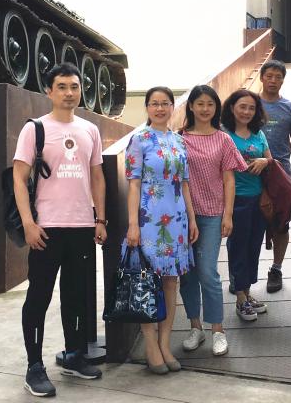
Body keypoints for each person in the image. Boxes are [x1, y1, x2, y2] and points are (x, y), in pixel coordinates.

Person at [13, 62, 108, 398]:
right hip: (46, 228)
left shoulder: (90, 130)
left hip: (81, 226)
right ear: (49, 91)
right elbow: (19, 178)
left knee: (77, 295)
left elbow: (97, 177)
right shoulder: (35, 129)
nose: (69, 93)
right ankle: (34, 366)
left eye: (74, 87)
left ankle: (74, 355)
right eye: (62, 87)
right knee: (39, 296)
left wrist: (100, 219)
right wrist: (28, 223)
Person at [124, 86, 199, 375]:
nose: (159, 108)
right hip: (148, 219)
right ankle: (151, 344)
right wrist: (133, 224)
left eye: (164, 103)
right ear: (147, 107)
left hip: (176, 218)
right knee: (147, 281)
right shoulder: (139, 140)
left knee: (170, 282)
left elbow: (184, 183)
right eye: (154, 103)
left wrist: (191, 218)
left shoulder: (179, 141)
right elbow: (133, 184)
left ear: (172, 107)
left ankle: (165, 343)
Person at [178, 85, 247, 357]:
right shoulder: (179, 139)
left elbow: (230, 180)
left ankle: (218, 330)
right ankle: (195, 327)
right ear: (191, 106)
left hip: (212, 214)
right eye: (200, 103)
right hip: (182, 217)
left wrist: (228, 215)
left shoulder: (223, 139)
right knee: (187, 275)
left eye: (210, 104)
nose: (205, 109)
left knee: (207, 272)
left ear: (216, 107)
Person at [222, 89, 272, 321]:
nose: (247, 112)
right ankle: (240, 298)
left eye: (251, 108)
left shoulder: (258, 134)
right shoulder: (224, 135)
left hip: (258, 199)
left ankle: (248, 292)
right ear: (232, 107)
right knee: (238, 248)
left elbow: (270, 158)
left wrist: (264, 161)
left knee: (253, 247)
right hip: (236, 200)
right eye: (242, 106)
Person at [256, 60, 291, 293]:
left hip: (281, 172)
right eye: (269, 76)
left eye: (278, 77)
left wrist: (276, 161)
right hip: (250, 171)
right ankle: (243, 272)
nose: (273, 81)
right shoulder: (250, 105)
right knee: (250, 222)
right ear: (261, 78)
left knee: (281, 223)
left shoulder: (290, 108)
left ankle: (276, 268)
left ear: (283, 80)